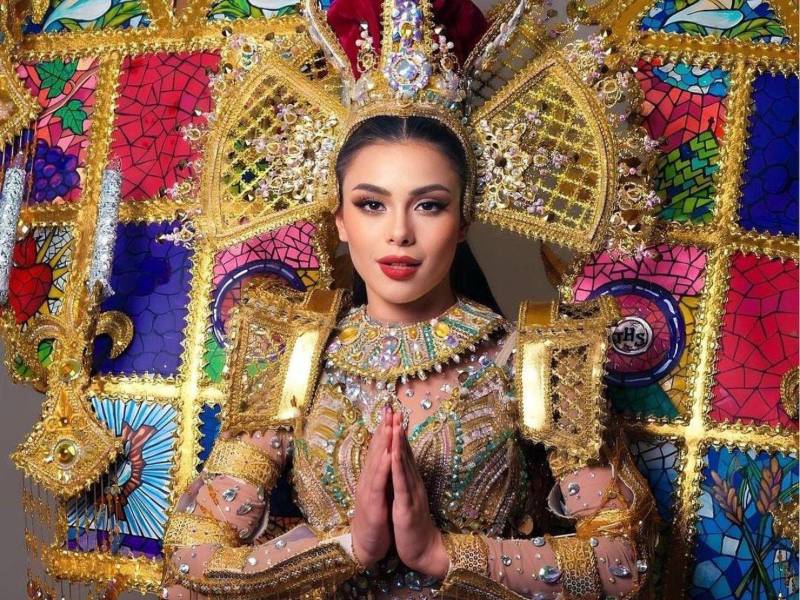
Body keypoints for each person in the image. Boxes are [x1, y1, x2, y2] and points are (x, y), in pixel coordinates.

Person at [160, 0, 659, 597]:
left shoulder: (537, 360)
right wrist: (346, 546)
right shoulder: (290, 355)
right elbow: (190, 563)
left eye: (429, 204)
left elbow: (625, 566)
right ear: (339, 218)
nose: (399, 232)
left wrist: (442, 552)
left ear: (465, 217)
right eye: (372, 204)